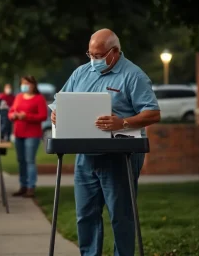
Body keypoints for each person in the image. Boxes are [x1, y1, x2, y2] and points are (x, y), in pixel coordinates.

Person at [51, 29, 160, 256]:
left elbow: (152, 113)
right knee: (85, 214)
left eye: (99, 55)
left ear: (115, 52)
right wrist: (56, 113)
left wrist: (122, 122)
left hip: (119, 156)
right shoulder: (81, 72)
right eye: (90, 54)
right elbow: (60, 102)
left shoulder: (134, 75)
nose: (94, 60)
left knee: (121, 215)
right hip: (85, 154)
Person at [9, 76, 48, 198]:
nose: (24, 85)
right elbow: (11, 112)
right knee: (21, 161)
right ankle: (23, 185)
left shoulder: (39, 98)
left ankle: (31, 187)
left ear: (33, 85)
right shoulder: (19, 97)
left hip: (32, 134)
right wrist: (13, 116)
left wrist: (26, 116)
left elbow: (43, 116)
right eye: (23, 83)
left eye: (27, 83)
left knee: (29, 160)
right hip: (18, 133)